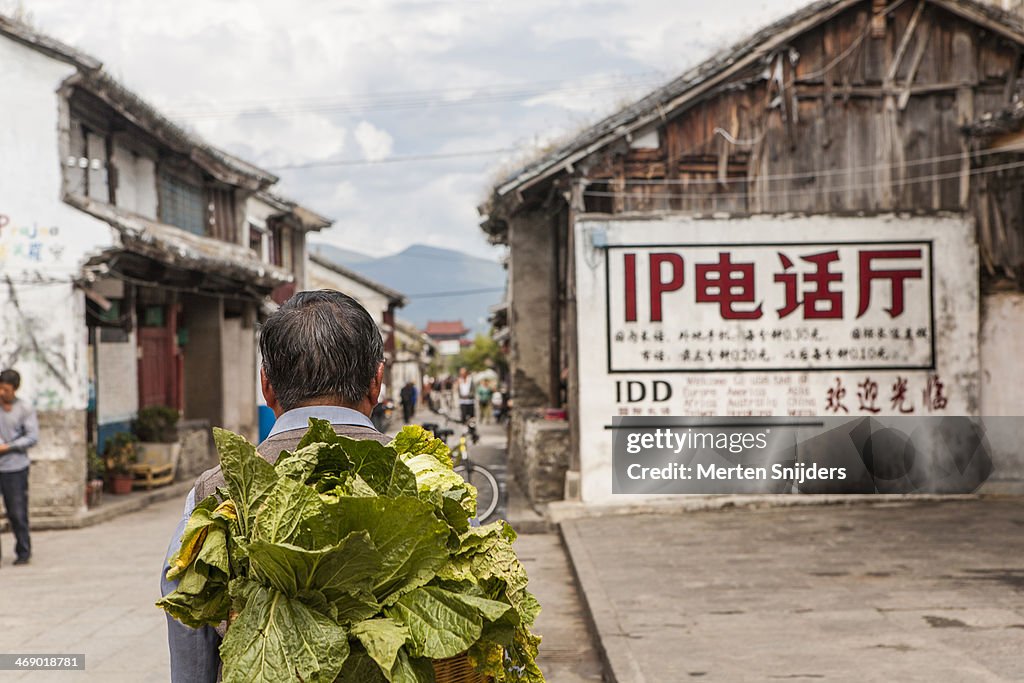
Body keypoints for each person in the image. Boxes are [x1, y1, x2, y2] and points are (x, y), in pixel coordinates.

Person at [160, 290, 390, 682]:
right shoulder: (424, 475)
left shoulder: (214, 491)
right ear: (377, 382)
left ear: (266, 386)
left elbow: (187, 619)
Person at [0, 369, 38, 567]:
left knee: (16, 511)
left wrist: (8, 447)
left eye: (5, 389)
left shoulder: (24, 409)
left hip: (15, 467)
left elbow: (32, 437)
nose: (1, 393)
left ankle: (23, 551)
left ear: (14, 389)